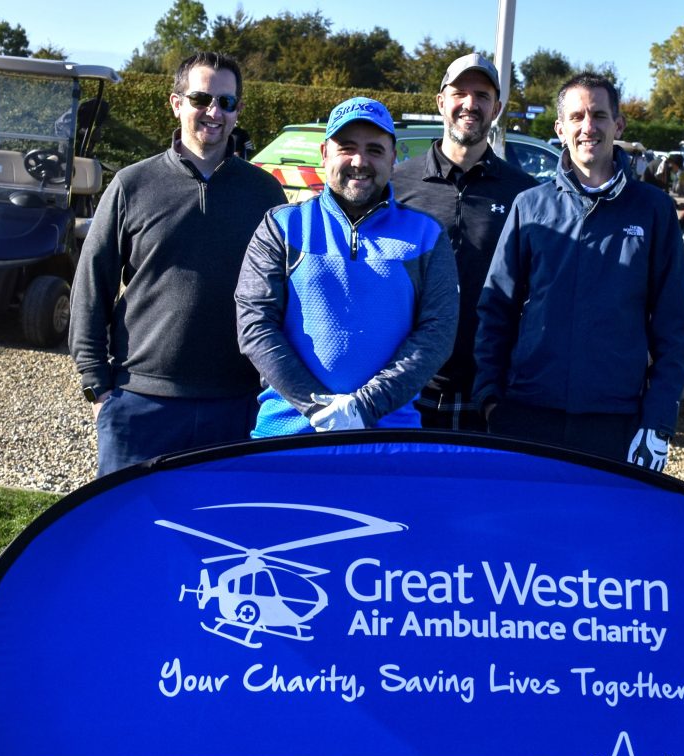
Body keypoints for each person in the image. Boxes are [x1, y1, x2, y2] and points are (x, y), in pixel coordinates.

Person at [69, 51, 286, 477]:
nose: (213, 112)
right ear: (176, 103)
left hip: (234, 407)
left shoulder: (265, 194)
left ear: (238, 110)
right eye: (201, 98)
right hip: (140, 405)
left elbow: (284, 295)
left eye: (226, 102)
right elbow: (91, 285)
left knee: (222, 536)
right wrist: (98, 388)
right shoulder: (132, 185)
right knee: (131, 534)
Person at [472, 73, 684, 472]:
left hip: (612, 421)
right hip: (527, 413)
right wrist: (489, 396)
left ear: (618, 125)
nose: (587, 127)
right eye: (576, 117)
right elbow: (496, 308)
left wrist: (658, 422)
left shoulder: (654, 211)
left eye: (598, 115)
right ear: (560, 129)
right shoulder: (530, 206)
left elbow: (672, 326)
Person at [235, 97, 459, 437]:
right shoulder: (282, 226)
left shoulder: (426, 234)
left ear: (394, 157)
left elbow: (437, 334)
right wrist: (317, 408)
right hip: (286, 435)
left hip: (388, 438)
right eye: (347, 147)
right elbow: (254, 323)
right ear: (325, 154)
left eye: (374, 149)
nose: (359, 161)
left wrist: (364, 407)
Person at [391, 53, 537, 430]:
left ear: (497, 108)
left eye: (482, 95)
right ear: (441, 102)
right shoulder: (396, 186)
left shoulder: (525, 193)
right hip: (405, 386)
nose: (470, 104)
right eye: (460, 92)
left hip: (487, 393)